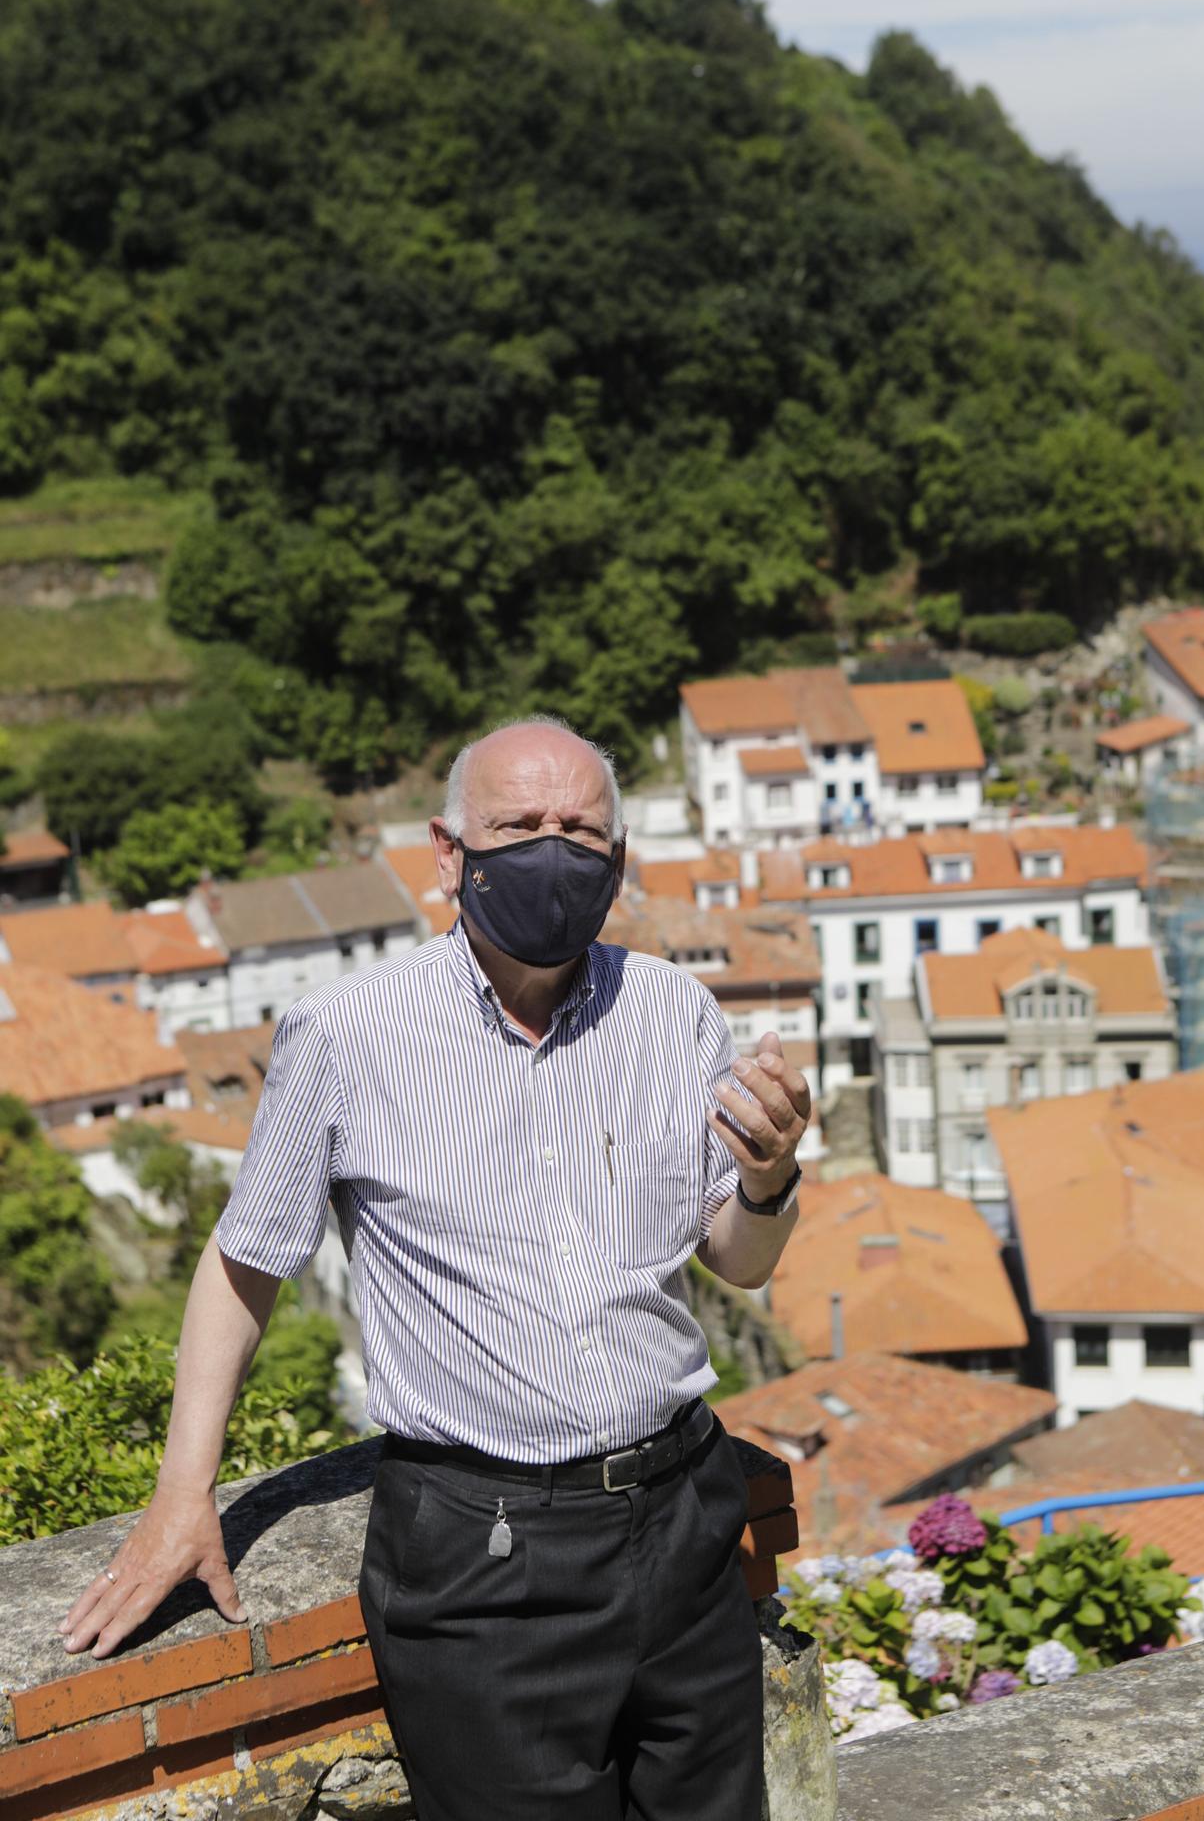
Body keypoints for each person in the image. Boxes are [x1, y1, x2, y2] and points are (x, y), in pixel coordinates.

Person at [60, 716, 809, 1821]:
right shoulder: (346, 1032)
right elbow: (244, 1265)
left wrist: (767, 1176)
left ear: (616, 858)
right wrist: (184, 1495)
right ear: (448, 852)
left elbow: (736, 1260)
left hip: (683, 1514)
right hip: (482, 1556)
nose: (552, 850)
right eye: (518, 825)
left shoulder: (674, 1013)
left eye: (580, 830)